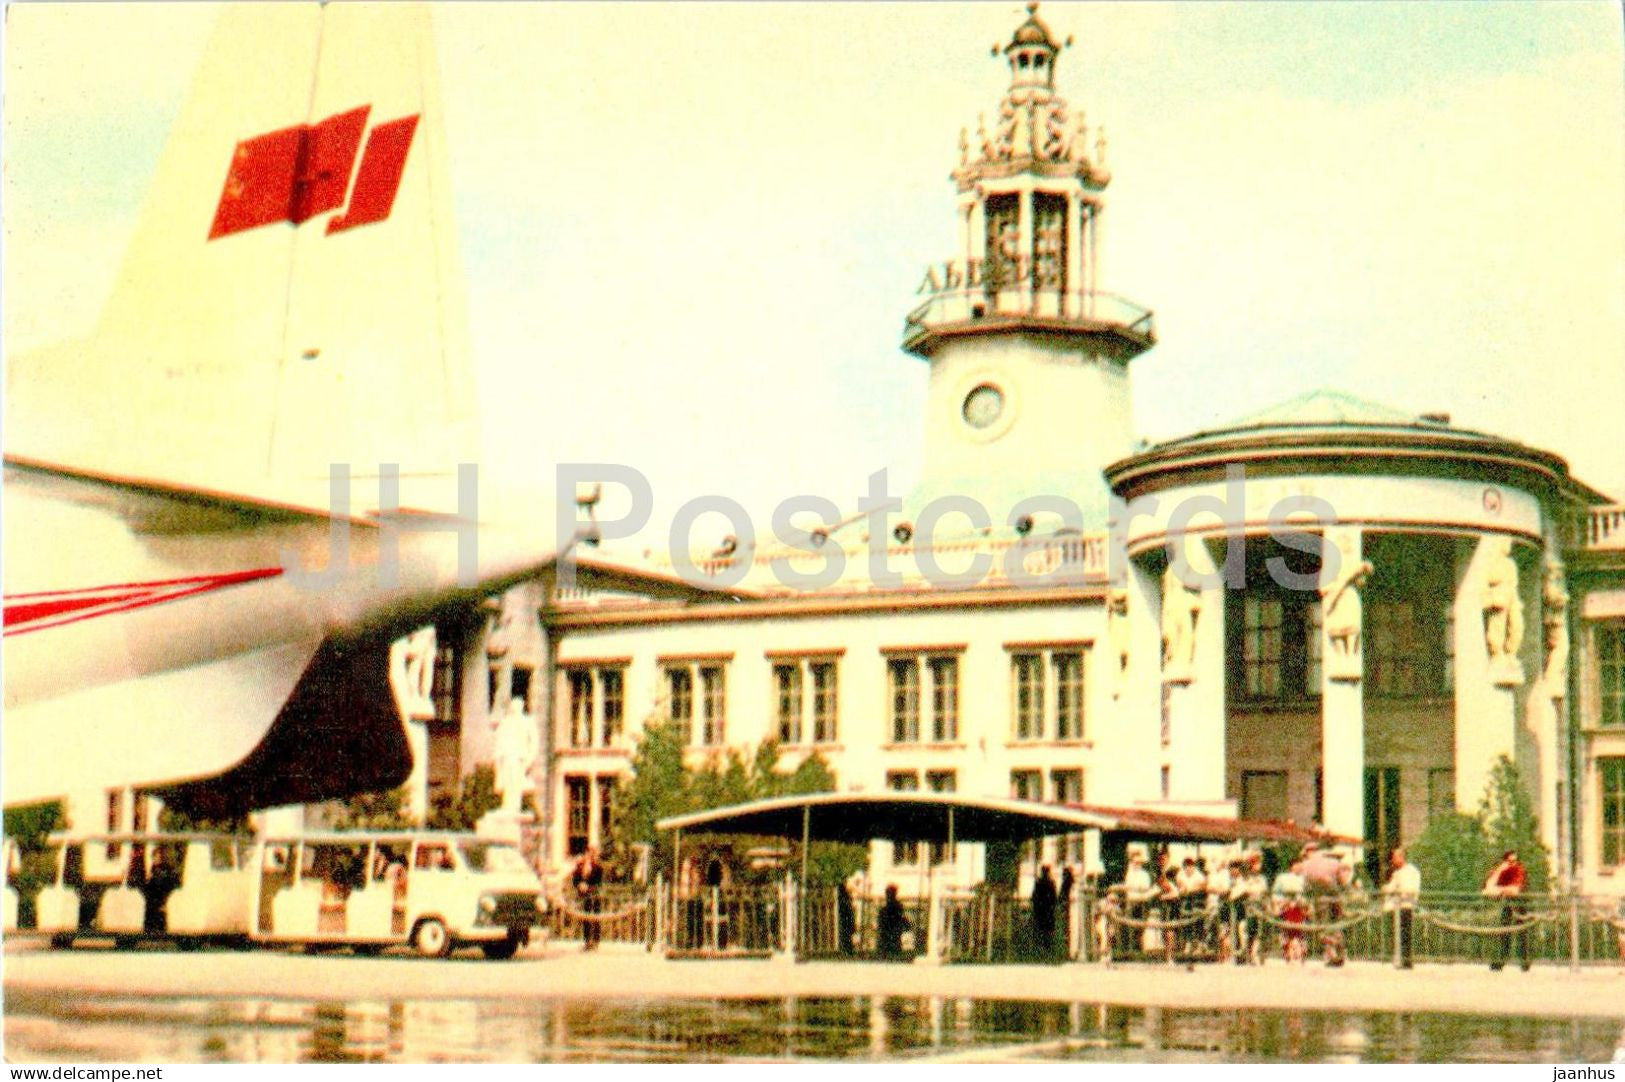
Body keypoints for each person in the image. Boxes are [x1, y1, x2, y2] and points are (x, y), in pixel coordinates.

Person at [1484, 850, 1530, 971]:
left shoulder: (1520, 870)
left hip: (1521, 904)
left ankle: (1524, 963)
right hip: (1508, 904)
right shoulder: (1501, 871)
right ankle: (1500, 962)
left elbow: (1515, 890)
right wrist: (1500, 871)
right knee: (1504, 933)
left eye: (1515, 861)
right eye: (1510, 862)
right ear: (1504, 862)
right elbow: (1488, 888)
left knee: (1522, 934)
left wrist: (1499, 890)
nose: (1513, 864)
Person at [1382, 847, 1420, 969]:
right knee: (1399, 934)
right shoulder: (1397, 873)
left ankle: (1406, 960)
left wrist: (1396, 890)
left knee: (1405, 934)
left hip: (1406, 905)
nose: (1392, 860)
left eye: (1395, 857)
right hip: (1397, 907)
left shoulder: (1412, 871)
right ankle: (1401, 959)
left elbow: (1409, 889)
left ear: (1401, 857)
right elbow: (1391, 887)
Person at [1116, 849, 1155, 960]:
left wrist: (1136, 888)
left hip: (1141, 903)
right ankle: (1129, 952)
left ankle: (1139, 952)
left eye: (1138, 862)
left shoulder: (1144, 875)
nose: (1136, 864)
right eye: (1134, 862)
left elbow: (1145, 888)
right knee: (1129, 926)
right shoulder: (1129, 874)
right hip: (1131, 902)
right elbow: (1127, 887)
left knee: (1140, 928)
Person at [571, 847, 604, 952]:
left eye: (593, 854)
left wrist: (589, 888)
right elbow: (575, 880)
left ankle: (595, 941)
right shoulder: (580, 866)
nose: (590, 855)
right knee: (585, 919)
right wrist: (579, 885)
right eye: (589, 853)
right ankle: (586, 941)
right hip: (584, 896)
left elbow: (599, 883)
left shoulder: (598, 867)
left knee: (595, 918)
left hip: (594, 895)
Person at [1030, 865, 1059, 962]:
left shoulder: (1038, 883)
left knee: (1040, 932)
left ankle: (1040, 952)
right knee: (1048, 932)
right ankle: (1048, 952)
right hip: (1048, 911)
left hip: (1040, 911)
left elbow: (1034, 897)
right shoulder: (1051, 883)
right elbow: (1054, 897)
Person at [876, 885, 911, 960]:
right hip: (887, 935)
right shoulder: (887, 909)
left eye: (890, 893)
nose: (888, 895)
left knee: (892, 954)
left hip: (892, 934)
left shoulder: (896, 907)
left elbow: (900, 919)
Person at [837, 881, 856, 956]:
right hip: (846, 925)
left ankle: (846, 951)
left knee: (845, 939)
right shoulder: (847, 902)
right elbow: (850, 915)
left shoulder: (843, 902)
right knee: (846, 940)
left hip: (844, 925)